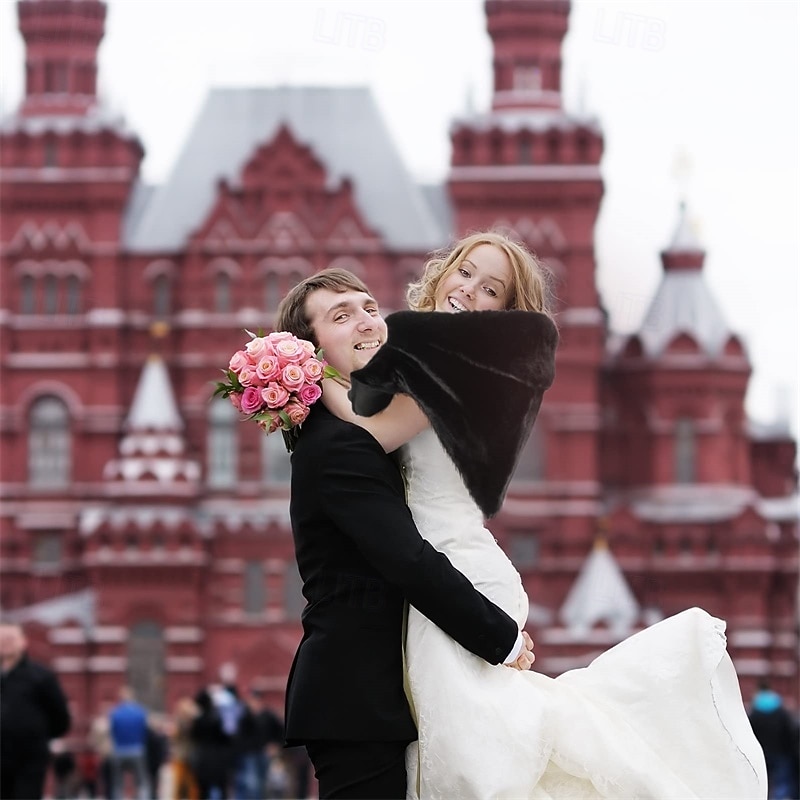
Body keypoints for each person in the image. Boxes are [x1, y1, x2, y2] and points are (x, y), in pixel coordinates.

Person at [320, 230, 769, 798]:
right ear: (444, 269)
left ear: (505, 315)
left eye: (491, 290)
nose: (469, 290)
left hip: (452, 575)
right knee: (457, 750)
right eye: (465, 272)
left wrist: (301, 380)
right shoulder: (429, 353)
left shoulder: (455, 365)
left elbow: (373, 437)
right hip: (436, 570)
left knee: (472, 765)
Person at [273, 268, 535, 800]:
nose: (366, 321)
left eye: (370, 307)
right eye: (341, 316)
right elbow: (407, 559)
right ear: (312, 349)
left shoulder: (358, 429)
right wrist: (500, 638)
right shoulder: (337, 447)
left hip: (384, 687)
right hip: (357, 696)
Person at [0, 621, 72, 800]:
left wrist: (36, 735)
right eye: (1, 638)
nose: (5, 642)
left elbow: (60, 717)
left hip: (29, 760)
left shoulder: (40, 677)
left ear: (24, 642)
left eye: (10, 638)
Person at [749, 680, 800, 800]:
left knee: (762, 784)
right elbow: (790, 735)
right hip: (781, 756)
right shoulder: (782, 712)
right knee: (781, 786)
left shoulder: (754, 714)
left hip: (761, 756)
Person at [108, 686, 151, 800]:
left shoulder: (115, 713)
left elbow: (113, 731)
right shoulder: (140, 712)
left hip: (119, 750)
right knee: (141, 781)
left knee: (118, 782)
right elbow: (145, 730)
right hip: (137, 749)